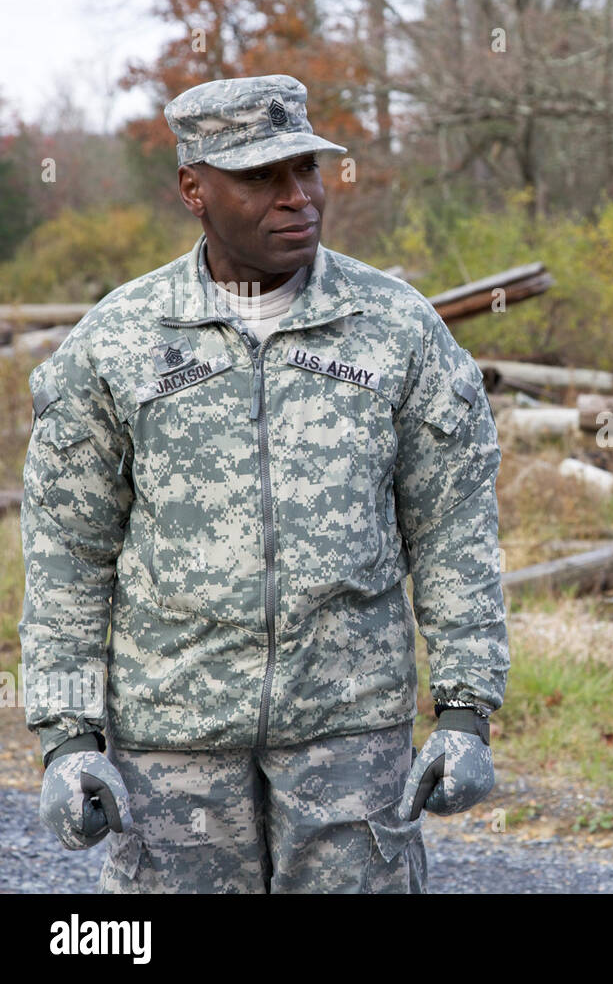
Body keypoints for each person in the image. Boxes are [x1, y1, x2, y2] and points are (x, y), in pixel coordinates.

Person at [21, 74, 509, 893]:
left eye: (307, 171)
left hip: (349, 745)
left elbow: (455, 526)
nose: (298, 198)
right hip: (173, 750)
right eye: (261, 177)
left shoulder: (396, 329)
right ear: (193, 188)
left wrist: (466, 715)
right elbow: (69, 552)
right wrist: (68, 739)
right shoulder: (118, 342)